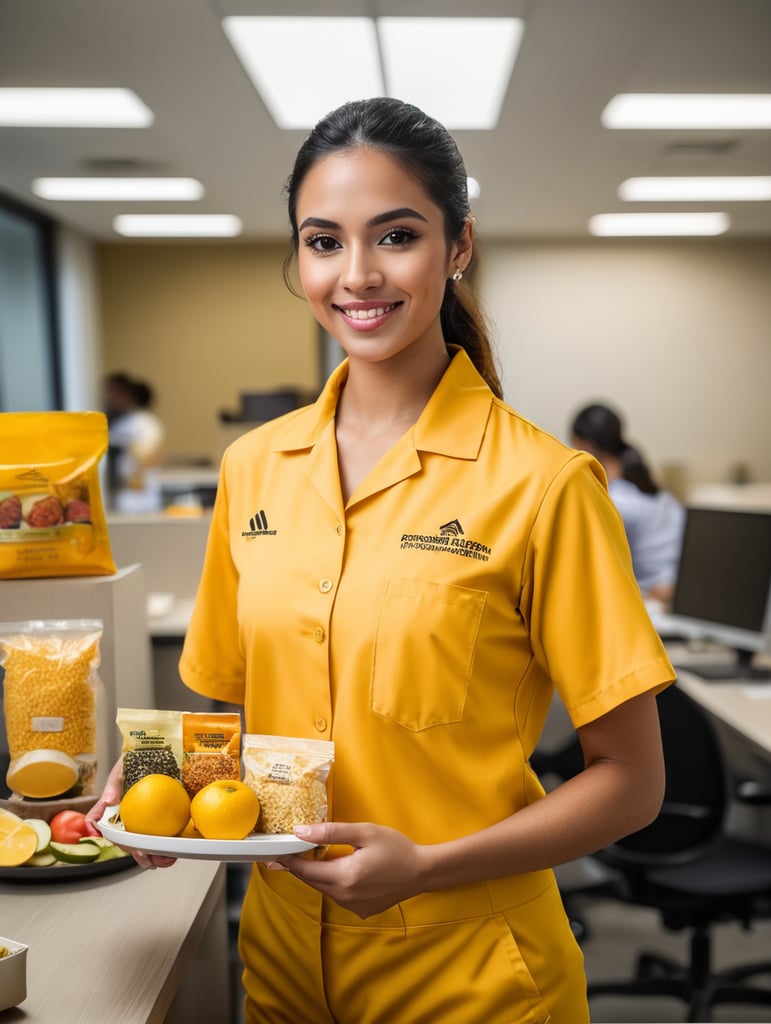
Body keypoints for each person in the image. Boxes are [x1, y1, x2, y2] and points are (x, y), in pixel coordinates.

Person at [88, 98, 675, 1024]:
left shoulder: (543, 484)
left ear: (458, 246)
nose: (355, 275)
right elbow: (232, 707)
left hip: (470, 968)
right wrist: (164, 786)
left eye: (395, 235)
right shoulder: (252, 468)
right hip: (279, 953)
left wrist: (429, 866)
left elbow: (633, 783)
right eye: (323, 242)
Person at [570, 402, 686, 605]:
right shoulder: (654, 491)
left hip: (659, 598)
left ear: (584, 446)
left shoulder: (618, 503)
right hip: (685, 588)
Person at [104, 372, 165, 512]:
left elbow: (148, 455)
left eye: (114, 393)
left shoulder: (143, 422)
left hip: (140, 495)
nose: (110, 399)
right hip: (127, 495)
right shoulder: (121, 423)